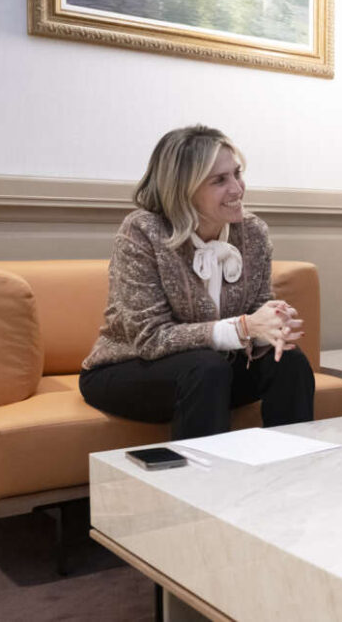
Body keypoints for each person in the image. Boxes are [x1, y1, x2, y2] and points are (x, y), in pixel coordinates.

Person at [79, 125, 315, 440]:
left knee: (289, 361)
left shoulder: (253, 232)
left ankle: (292, 465)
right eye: (219, 180)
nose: (237, 189)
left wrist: (271, 326)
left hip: (213, 373)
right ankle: (202, 473)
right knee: (205, 367)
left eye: (237, 174)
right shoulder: (142, 232)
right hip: (128, 368)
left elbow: (257, 311)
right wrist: (243, 328)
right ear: (183, 189)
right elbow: (151, 339)